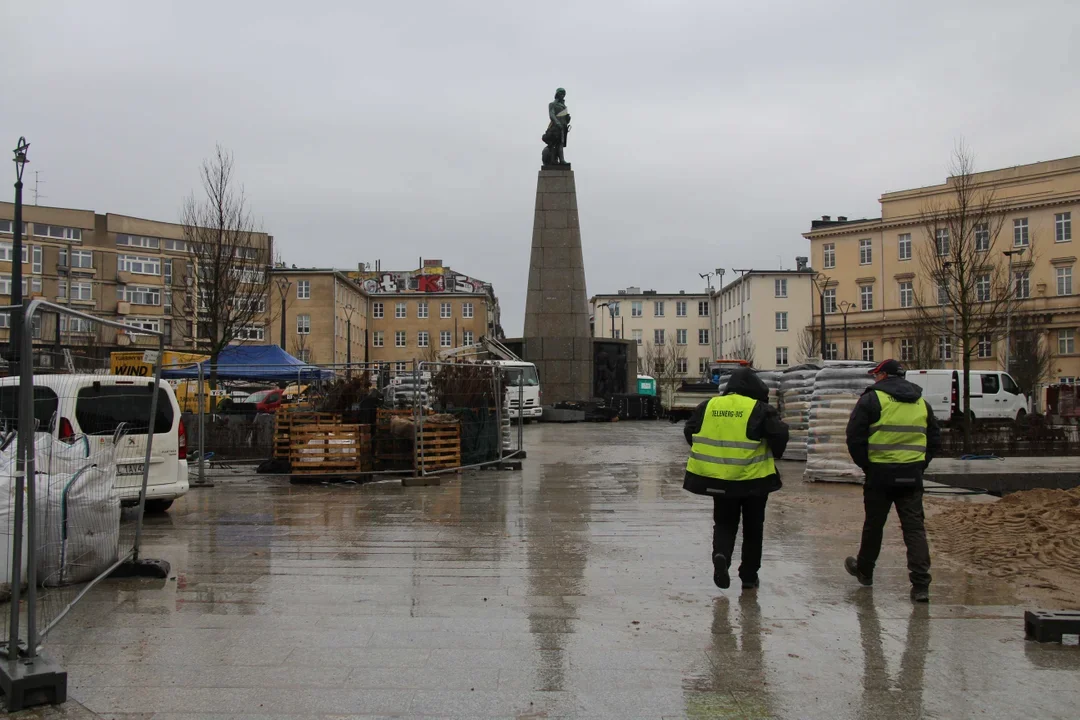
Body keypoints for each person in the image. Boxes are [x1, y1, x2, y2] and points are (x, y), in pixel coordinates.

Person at [844, 359, 941, 603]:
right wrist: (920, 464)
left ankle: (865, 571)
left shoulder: (872, 400)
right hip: (911, 476)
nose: (875, 380)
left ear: (884, 376)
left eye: (877, 375)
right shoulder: (921, 403)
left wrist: (867, 465)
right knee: (914, 529)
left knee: (874, 525)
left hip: (880, 475)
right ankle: (920, 585)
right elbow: (935, 439)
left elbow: (854, 437)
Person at [683, 368, 789, 590]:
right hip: (754, 480)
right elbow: (779, 437)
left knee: (724, 522)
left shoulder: (709, 406)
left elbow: (690, 430)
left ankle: (721, 555)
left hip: (719, 479)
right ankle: (749, 576)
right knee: (753, 528)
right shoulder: (759, 408)